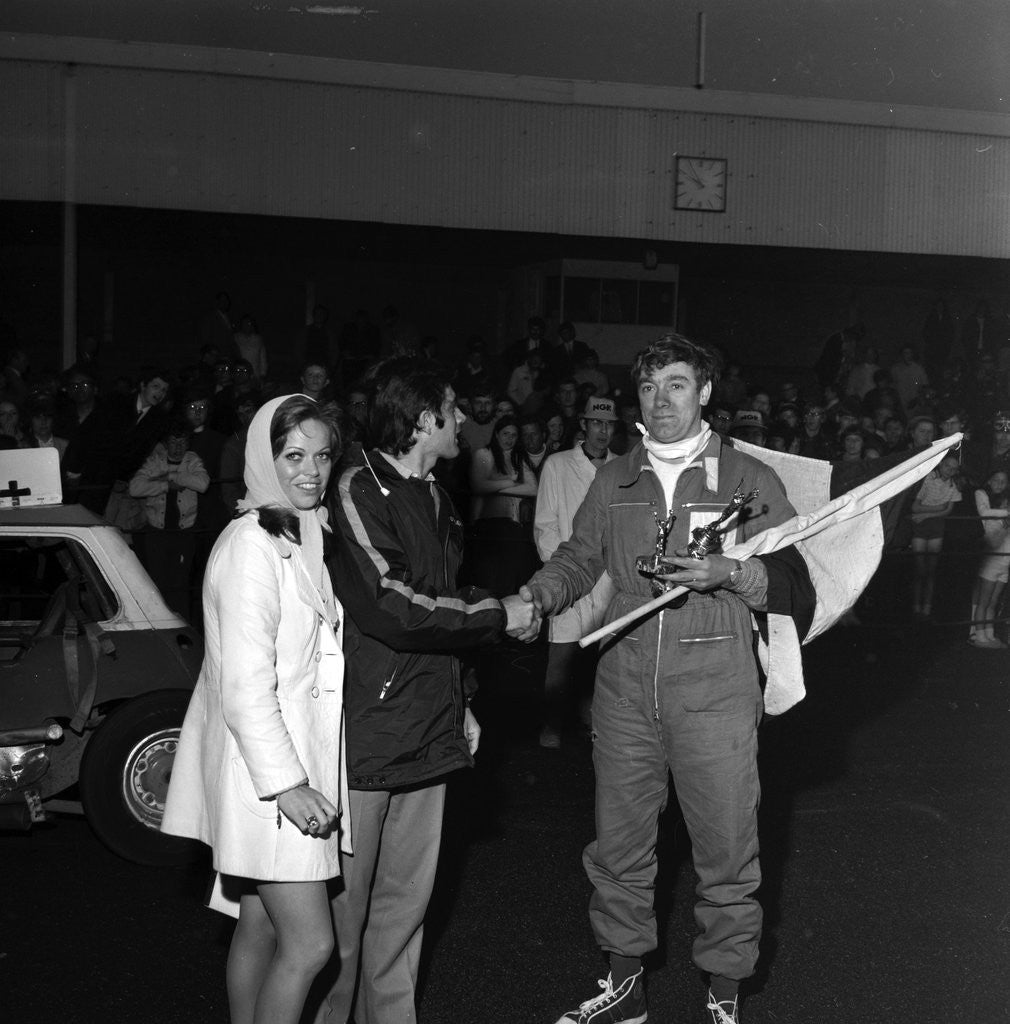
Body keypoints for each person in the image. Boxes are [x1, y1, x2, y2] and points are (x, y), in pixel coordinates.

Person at [520, 333, 813, 1024]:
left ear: (704, 391)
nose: (661, 401)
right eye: (649, 388)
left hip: (716, 690)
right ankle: (625, 988)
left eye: (676, 385)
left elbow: (796, 581)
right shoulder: (616, 478)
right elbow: (577, 556)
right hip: (623, 687)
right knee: (618, 847)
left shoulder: (747, 478)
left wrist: (732, 572)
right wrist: (535, 597)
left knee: (727, 851)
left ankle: (724, 992)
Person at [316, 356, 538, 1024]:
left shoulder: (438, 497)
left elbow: (440, 602)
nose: (463, 418)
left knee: (404, 912)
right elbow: (391, 605)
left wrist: (461, 697)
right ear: (422, 419)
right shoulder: (356, 487)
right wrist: (498, 612)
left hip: (430, 727)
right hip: (368, 732)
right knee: (342, 920)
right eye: (452, 407)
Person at [161, 394, 350, 1024]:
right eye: (294, 456)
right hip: (270, 777)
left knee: (261, 927)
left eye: (322, 456)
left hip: (283, 765)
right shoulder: (251, 545)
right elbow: (244, 688)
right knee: (312, 945)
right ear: (263, 459)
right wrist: (288, 785)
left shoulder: (300, 532)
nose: (311, 471)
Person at [533, 395, 618, 749]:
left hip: (609, 578)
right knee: (562, 655)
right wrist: (561, 568)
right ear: (583, 424)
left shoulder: (622, 467)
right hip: (568, 571)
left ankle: (592, 722)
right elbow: (545, 524)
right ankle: (552, 726)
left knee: (604, 655)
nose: (602, 431)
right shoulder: (557, 464)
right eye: (596, 423)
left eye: (609, 424)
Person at [467, 413, 541, 595]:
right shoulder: (484, 454)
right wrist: (511, 482)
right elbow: (478, 486)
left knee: (511, 579)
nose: (509, 439)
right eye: (505, 434)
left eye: (514, 435)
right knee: (490, 579)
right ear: (497, 434)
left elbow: (533, 489)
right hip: (487, 526)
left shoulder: (518, 457)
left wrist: (496, 488)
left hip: (513, 526)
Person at [909, 453, 961, 619]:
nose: (949, 470)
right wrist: (937, 509)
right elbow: (915, 507)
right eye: (947, 466)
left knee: (931, 569)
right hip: (920, 526)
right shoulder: (928, 478)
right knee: (919, 568)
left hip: (936, 526)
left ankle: (927, 608)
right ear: (940, 464)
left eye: (954, 468)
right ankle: (916, 607)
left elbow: (947, 511)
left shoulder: (954, 486)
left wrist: (926, 514)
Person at [969, 469, 1010, 648]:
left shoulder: (1002, 515)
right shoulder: (985, 501)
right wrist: (1006, 516)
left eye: (1004, 481)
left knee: (993, 601)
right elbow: (985, 513)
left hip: (1004, 563)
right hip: (992, 559)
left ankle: (989, 635)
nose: (1000, 484)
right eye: (996, 480)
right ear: (989, 480)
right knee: (983, 601)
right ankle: (979, 636)